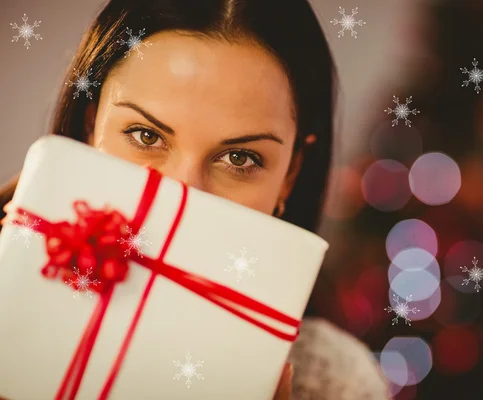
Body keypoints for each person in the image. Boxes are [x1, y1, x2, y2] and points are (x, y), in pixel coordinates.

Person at [0, 0, 390, 398]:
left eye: (240, 158)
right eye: (145, 136)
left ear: (289, 176)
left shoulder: (337, 384)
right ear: (90, 128)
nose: (182, 193)